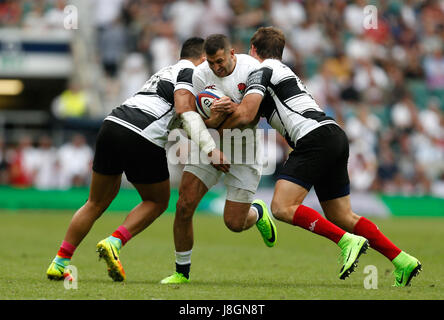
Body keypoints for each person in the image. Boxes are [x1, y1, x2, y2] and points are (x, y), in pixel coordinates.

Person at [215, 27, 422, 287]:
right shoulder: (282, 71)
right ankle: (402, 259)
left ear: (253, 50)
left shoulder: (262, 69)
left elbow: (246, 115)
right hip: (333, 135)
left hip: (312, 139)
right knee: (343, 216)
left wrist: (213, 123)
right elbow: (253, 115)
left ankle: (346, 241)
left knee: (281, 207)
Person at [46, 37, 227, 282]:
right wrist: (210, 149)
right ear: (203, 59)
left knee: (95, 202)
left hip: (112, 124)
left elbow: (180, 120)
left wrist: (211, 122)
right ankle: (114, 242)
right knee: (157, 201)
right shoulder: (190, 71)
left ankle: (60, 262)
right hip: (142, 133)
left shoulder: (164, 72)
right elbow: (184, 113)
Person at [160, 34, 277, 284]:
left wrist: (232, 108)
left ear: (232, 53)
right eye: (211, 62)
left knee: (234, 223)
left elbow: (251, 116)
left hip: (244, 147)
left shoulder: (252, 69)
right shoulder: (199, 74)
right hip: (210, 142)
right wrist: (212, 122)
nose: (216, 68)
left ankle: (257, 212)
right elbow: (188, 120)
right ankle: (181, 272)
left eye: (220, 61)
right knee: (183, 205)